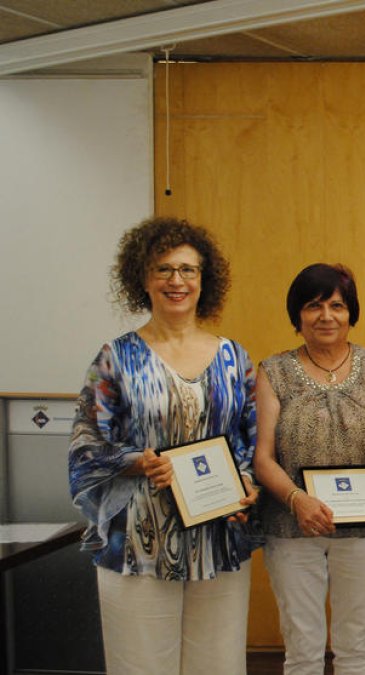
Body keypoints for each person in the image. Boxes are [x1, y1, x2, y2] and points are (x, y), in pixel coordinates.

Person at [68, 216, 259, 675]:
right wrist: (137, 461)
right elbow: (85, 444)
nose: (177, 281)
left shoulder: (234, 357)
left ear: (203, 279)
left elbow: (250, 440)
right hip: (138, 541)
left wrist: (248, 483)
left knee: (217, 664)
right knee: (141, 665)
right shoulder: (116, 357)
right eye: (164, 269)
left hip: (218, 537)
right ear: (143, 278)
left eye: (188, 270)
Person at [255, 263, 365, 675]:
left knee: (356, 647)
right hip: (293, 528)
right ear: (297, 315)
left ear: (351, 312)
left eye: (337, 305)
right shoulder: (274, 371)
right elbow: (263, 456)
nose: (326, 316)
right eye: (313, 306)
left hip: (364, 529)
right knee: (303, 648)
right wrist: (297, 500)